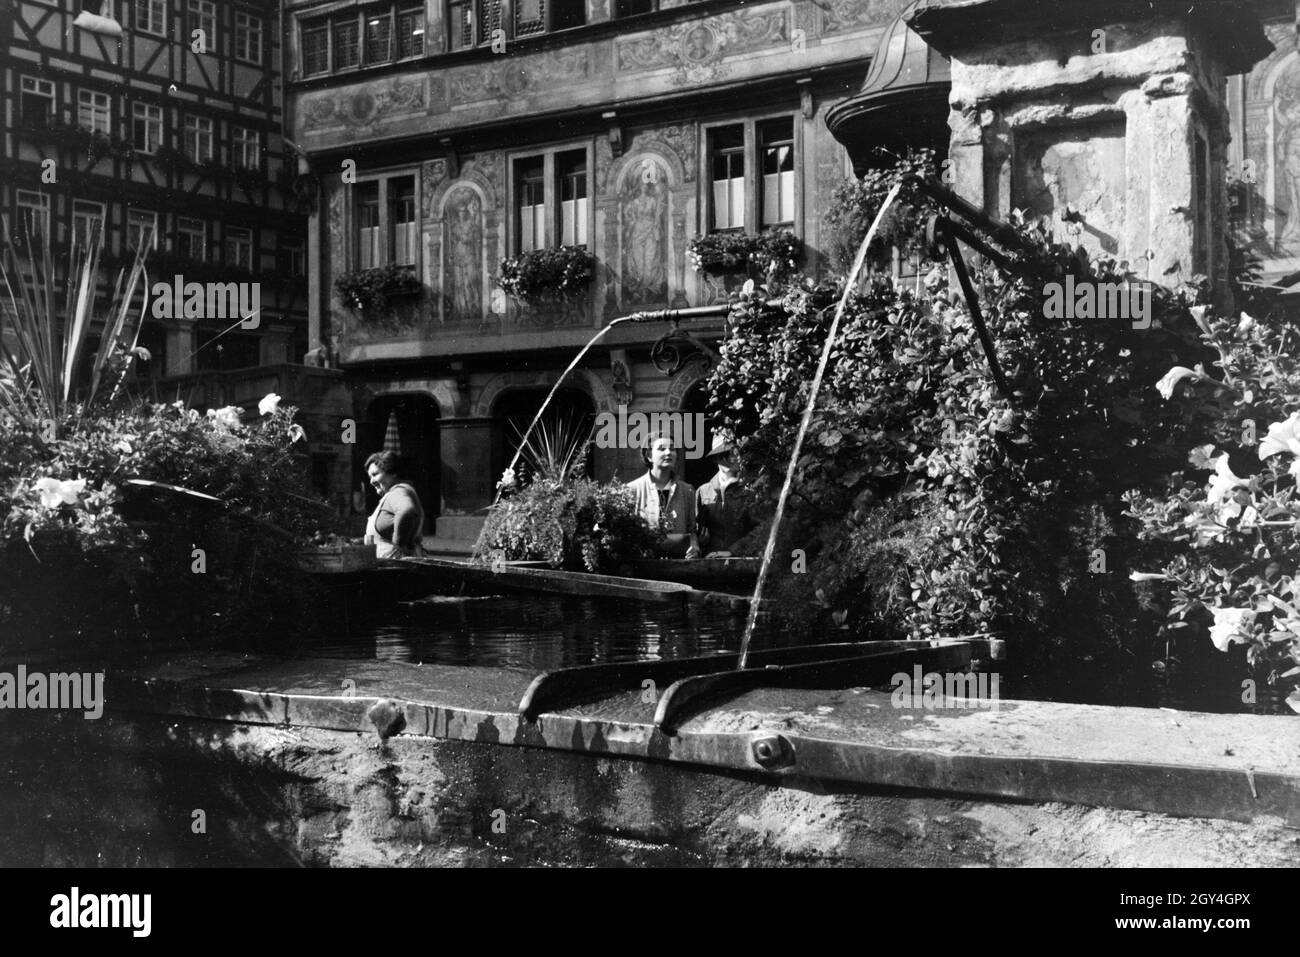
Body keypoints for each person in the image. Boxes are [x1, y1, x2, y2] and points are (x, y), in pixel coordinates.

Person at [625, 432, 700, 559]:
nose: (668, 453)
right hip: (644, 565)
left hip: (679, 564)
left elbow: (692, 530)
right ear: (649, 455)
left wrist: (694, 546)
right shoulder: (632, 490)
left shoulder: (687, 491)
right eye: (661, 449)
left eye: (672, 449)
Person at [695, 432, 757, 557]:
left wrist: (732, 551)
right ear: (715, 459)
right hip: (710, 563)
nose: (729, 459)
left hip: (743, 562)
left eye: (733, 453)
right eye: (723, 455)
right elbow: (693, 532)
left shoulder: (751, 490)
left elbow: (759, 530)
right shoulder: (703, 491)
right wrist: (699, 542)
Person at [363, 451, 426, 558]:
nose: (371, 481)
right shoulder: (394, 493)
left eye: (375, 474)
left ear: (393, 473)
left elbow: (407, 511)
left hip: (397, 563)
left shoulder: (398, 491)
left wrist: (398, 544)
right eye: (370, 477)